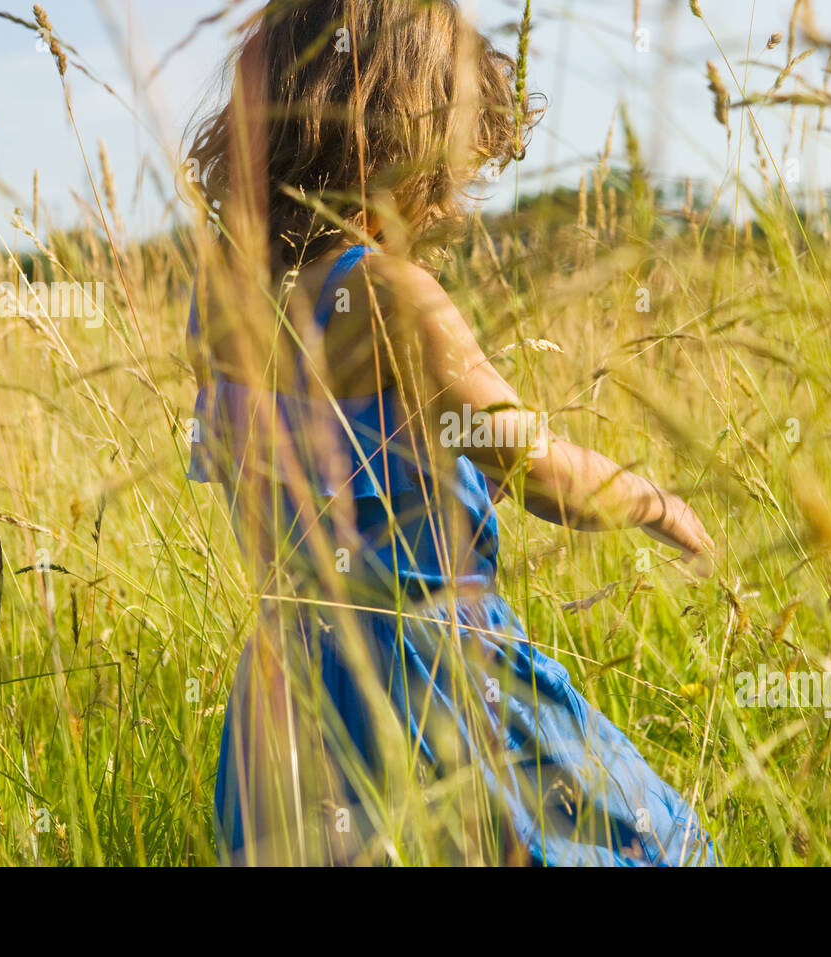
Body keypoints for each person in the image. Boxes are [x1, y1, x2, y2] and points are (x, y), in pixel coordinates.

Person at [183, 0, 716, 866]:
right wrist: (652, 501)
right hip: (435, 679)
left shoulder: (218, 302)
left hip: (286, 702)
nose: (455, 205)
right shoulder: (400, 299)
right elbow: (544, 471)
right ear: (401, 138)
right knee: (652, 848)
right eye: (457, 161)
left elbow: (319, 461)